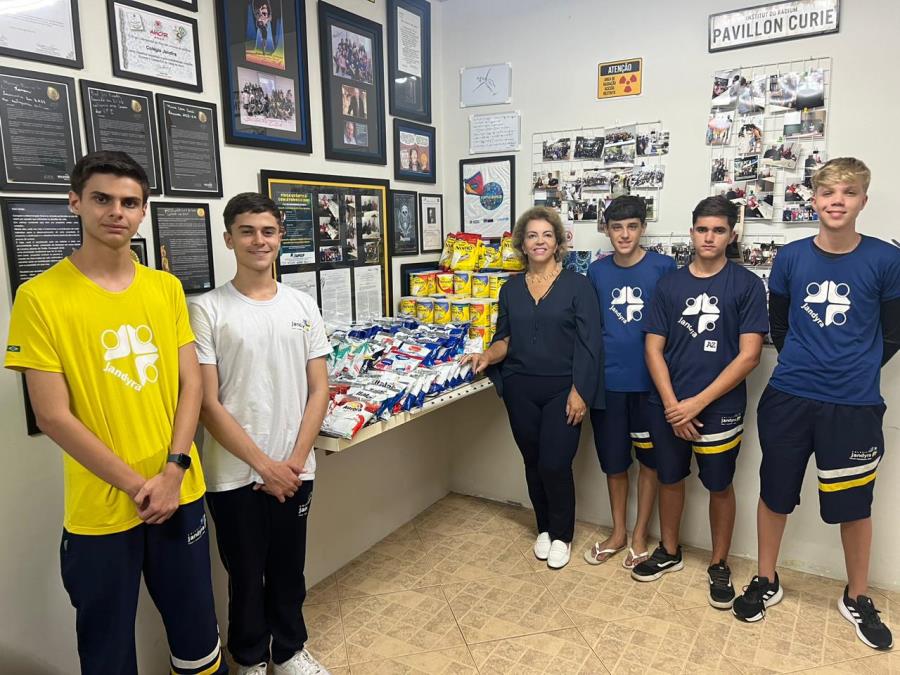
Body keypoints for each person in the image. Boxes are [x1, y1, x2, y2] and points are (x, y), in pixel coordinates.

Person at [4, 151, 225, 674]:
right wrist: (138, 484)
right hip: (102, 511)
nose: (116, 212)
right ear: (76, 202)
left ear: (143, 211)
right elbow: (53, 416)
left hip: (179, 492)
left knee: (197, 636)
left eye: (130, 202)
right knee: (106, 651)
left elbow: (190, 383)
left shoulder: (164, 288)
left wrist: (173, 471)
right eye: (102, 199)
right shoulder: (39, 298)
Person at [732, 158, 900, 650]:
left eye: (848, 193)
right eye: (828, 192)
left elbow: (893, 333)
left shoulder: (885, 261)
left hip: (853, 404)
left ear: (863, 201)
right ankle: (767, 579)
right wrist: (807, 362)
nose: (837, 201)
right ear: (815, 199)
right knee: (775, 493)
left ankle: (858, 595)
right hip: (789, 397)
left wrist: (859, 367)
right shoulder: (790, 257)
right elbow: (778, 326)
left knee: (855, 505)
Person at [189, 193, 332, 675]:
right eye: (247, 231)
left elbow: (319, 390)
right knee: (246, 576)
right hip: (233, 474)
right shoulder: (207, 309)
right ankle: (249, 658)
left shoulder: (302, 304)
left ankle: (289, 651)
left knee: (289, 572)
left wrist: (292, 461)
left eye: (268, 231)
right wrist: (264, 466)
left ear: (280, 238)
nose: (259, 240)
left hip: (296, 468)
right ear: (229, 239)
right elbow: (208, 403)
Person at [633, 196, 768, 612]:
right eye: (702, 229)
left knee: (719, 484)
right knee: (670, 477)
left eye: (719, 230)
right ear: (692, 232)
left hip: (718, 407)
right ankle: (669, 551)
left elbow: (750, 355)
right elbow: (653, 348)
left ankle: (719, 563)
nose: (709, 237)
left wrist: (697, 404)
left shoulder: (745, 285)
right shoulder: (669, 285)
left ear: (732, 235)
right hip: (668, 404)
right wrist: (675, 404)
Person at [463, 206, 604, 569]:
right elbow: (505, 339)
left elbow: (590, 345)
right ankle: (544, 528)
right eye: (531, 236)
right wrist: (486, 357)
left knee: (556, 463)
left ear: (558, 243)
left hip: (563, 390)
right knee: (533, 461)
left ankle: (563, 535)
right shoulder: (510, 290)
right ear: (522, 245)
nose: (539, 242)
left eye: (546, 235)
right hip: (520, 388)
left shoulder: (579, 286)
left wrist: (580, 391)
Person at [584, 196, 676, 569]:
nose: (624, 234)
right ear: (606, 230)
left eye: (632, 226)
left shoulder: (664, 268)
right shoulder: (597, 272)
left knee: (650, 462)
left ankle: (640, 534)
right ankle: (618, 532)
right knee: (615, 463)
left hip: (651, 387)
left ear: (643, 228)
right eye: (617, 227)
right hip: (608, 386)